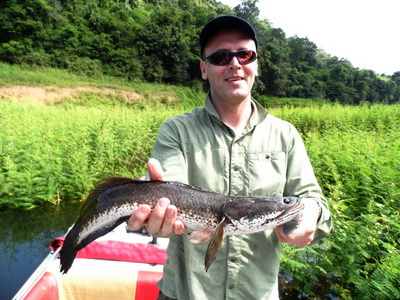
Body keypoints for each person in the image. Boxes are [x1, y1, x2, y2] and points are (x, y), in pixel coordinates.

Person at [128, 15, 332, 300]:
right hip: (185, 292)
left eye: (245, 55)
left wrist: (312, 214)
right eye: (221, 57)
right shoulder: (176, 130)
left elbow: (313, 200)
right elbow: (171, 190)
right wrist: (157, 207)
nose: (235, 64)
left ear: (256, 65)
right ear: (204, 69)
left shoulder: (286, 135)